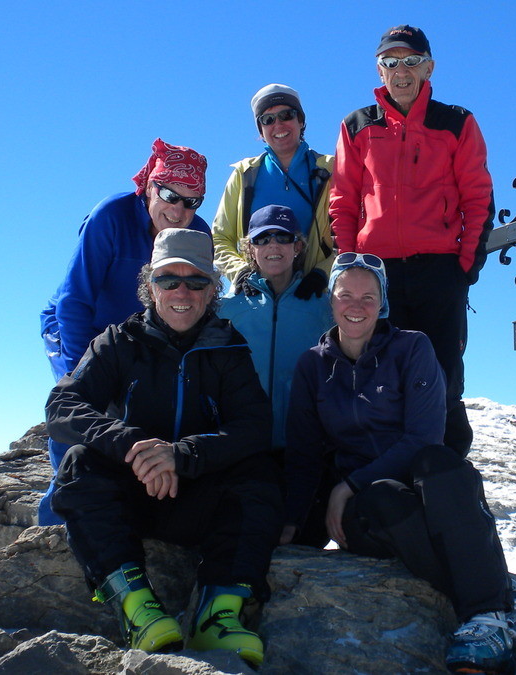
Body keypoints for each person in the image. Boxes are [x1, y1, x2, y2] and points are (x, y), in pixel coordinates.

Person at [282, 253, 516, 673]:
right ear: (331, 301)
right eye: (345, 295)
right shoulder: (312, 366)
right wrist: (292, 523)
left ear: (383, 301)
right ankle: (504, 601)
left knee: (437, 463)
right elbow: (303, 453)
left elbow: (424, 437)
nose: (356, 306)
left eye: (368, 297)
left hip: (419, 486)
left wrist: (346, 484)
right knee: (383, 499)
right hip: (370, 507)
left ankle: (488, 614)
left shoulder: (412, 347)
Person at [47, 229, 280, 668]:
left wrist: (182, 455)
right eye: (168, 280)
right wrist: (132, 444)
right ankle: (136, 606)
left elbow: (253, 427)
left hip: (197, 499)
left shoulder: (228, 349)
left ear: (212, 290)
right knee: (80, 465)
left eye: (196, 282)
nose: (182, 292)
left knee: (261, 474)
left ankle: (218, 613)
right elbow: (62, 407)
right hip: (131, 497)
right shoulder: (119, 342)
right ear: (149, 286)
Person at [328, 25, 495, 457]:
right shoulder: (357, 125)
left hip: (439, 270)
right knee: (376, 373)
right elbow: (343, 198)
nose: (400, 71)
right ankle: (380, 484)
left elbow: (478, 197)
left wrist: (464, 268)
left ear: (428, 67)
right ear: (378, 70)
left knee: (442, 378)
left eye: (410, 61)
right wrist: (350, 263)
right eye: (390, 62)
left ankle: (445, 480)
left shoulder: (456, 122)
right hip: (376, 274)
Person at [38, 139, 210, 526]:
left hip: (133, 336)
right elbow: (74, 300)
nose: (179, 209)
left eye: (192, 201)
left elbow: (194, 299)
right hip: (77, 325)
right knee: (78, 414)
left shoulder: (194, 233)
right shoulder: (111, 217)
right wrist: (78, 375)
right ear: (149, 185)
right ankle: (57, 520)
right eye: (170, 194)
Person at [217, 204, 333, 453]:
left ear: (298, 247)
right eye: (262, 238)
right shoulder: (226, 310)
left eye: (283, 237)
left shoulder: (325, 307)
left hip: (306, 444)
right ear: (250, 249)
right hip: (244, 446)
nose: (273, 245)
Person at [212, 84, 335, 298]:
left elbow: (353, 236)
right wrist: (241, 273)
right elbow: (220, 237)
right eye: (267, 119)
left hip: (315, 298)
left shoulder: (332, 170)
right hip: (255, 300)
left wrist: (322, 274)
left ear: (301, 121)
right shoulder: (245, 175)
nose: (278, 124)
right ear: (260, 130)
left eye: (286, 115)